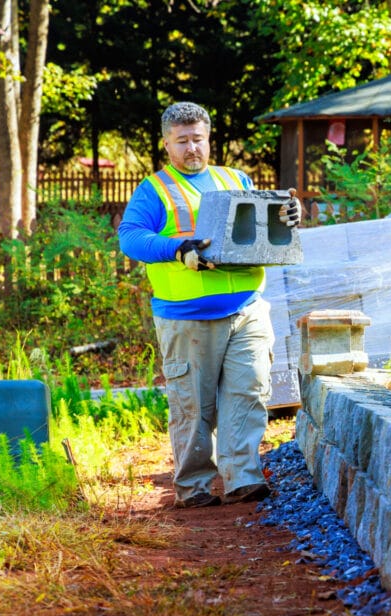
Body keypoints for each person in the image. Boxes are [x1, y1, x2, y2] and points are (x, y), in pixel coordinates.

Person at [117, 101, 302, 509]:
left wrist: (290, 214)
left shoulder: (235, 178)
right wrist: (175, 247)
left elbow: (265, 225)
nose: (192, 149)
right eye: (182, 141)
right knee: (194, 408)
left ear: (208, 139)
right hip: (188, 318)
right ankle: (196, 487)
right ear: (166, 144)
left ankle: (242, 479)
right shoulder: (155, 190)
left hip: (247, 308)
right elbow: (129, 237)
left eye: (198, 139)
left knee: (248, 393)